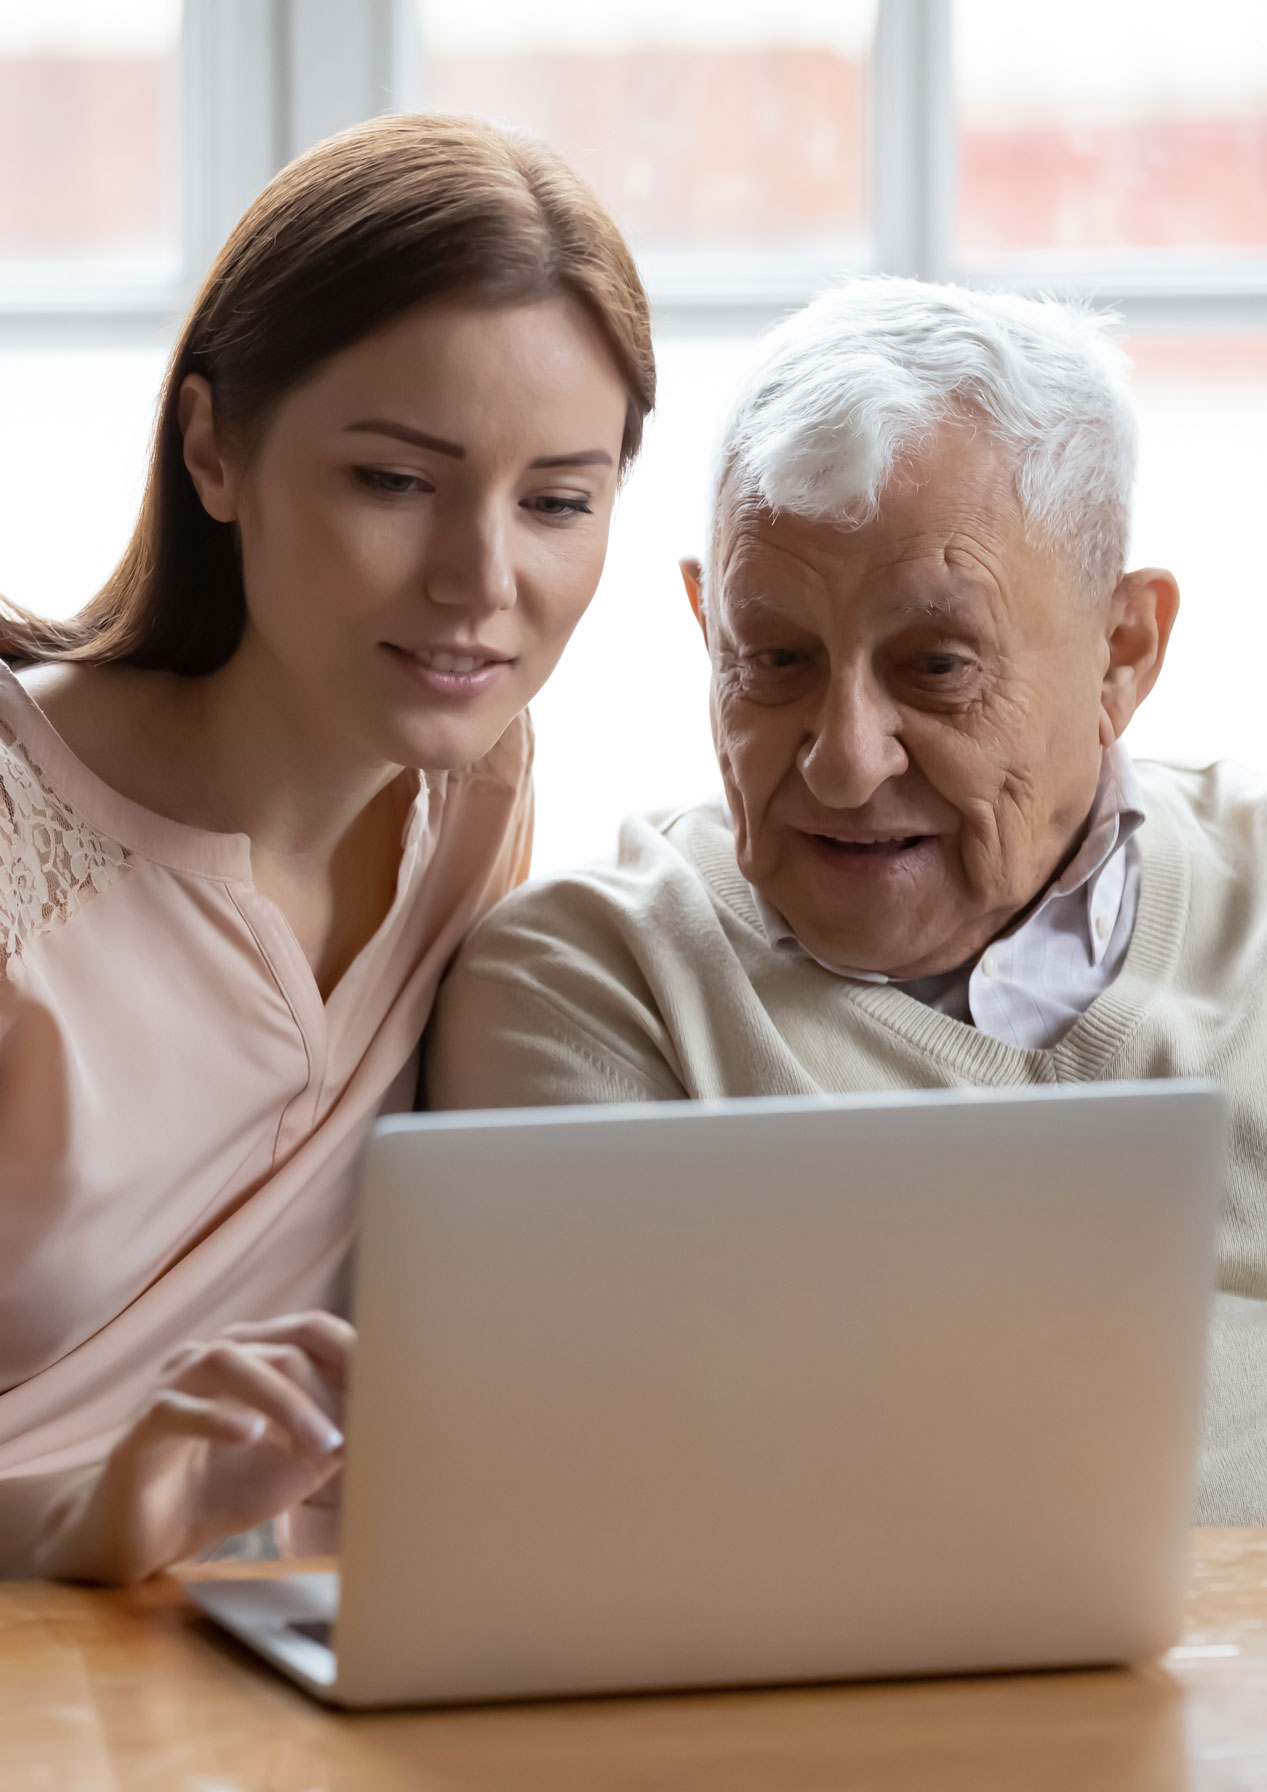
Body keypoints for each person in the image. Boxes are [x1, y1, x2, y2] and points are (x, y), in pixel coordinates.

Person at [426, 277, 1267, 1525]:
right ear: (707, 624)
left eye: (936, 666)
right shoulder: (595, 987)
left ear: (1123, 650)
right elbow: (619, 1517)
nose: (841, 758)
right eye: (775, 661)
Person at [0, 112, 654, 1581]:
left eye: (556, 501)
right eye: (394, 481)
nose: (479, 585)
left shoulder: (471, 792)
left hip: (275, 1660)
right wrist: (87, 1518)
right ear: (213, 449)